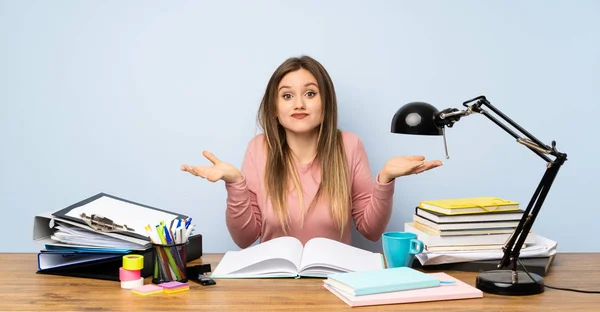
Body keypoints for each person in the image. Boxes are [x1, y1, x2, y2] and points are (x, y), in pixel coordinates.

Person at [181, 55, 442, 249]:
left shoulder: (349, 145)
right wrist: (235, 184)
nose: (299, 104)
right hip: (274, 284)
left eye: (310, 93)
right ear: (274, 108)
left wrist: (385, 180)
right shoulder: (259, 149)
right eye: (287, 96)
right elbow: (244, 238)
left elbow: (371, 231)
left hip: (334, 282)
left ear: (325, 103)